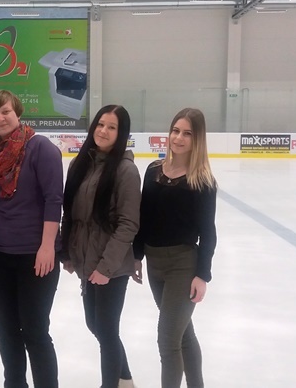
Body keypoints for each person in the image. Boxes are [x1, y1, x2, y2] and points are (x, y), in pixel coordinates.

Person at [0, 89, 63, 388]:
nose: (0, 118)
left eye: (5, 111)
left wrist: (47, 247)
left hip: (35, 256)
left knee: (35, 331)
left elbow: (54, 199)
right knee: (5, 331)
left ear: (17, 111)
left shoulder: (41, 148)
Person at [133, 108, 218, 388]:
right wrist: (136, 255)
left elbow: (208, 233)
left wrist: (202, 275)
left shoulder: (202, 181)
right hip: (155, 263)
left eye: (187, 134)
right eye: (175, 131)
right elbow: (144, 216)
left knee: (168, 340)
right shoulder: (153, 170)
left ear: (198, 139)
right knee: (183, 334)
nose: (178, 138)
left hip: (183, 265)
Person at [60, 105, 141, 388]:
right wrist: (66, 253)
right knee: (94, 324)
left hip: (112, 266)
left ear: (122, 133)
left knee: (106, 330)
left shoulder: (126, 170)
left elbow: (128, 224)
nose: (104, 131)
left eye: (112, 127)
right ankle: (125, 379)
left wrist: (106, 268)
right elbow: (69, 214)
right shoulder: (79, 164)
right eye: (100, 124)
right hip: (85, 258)